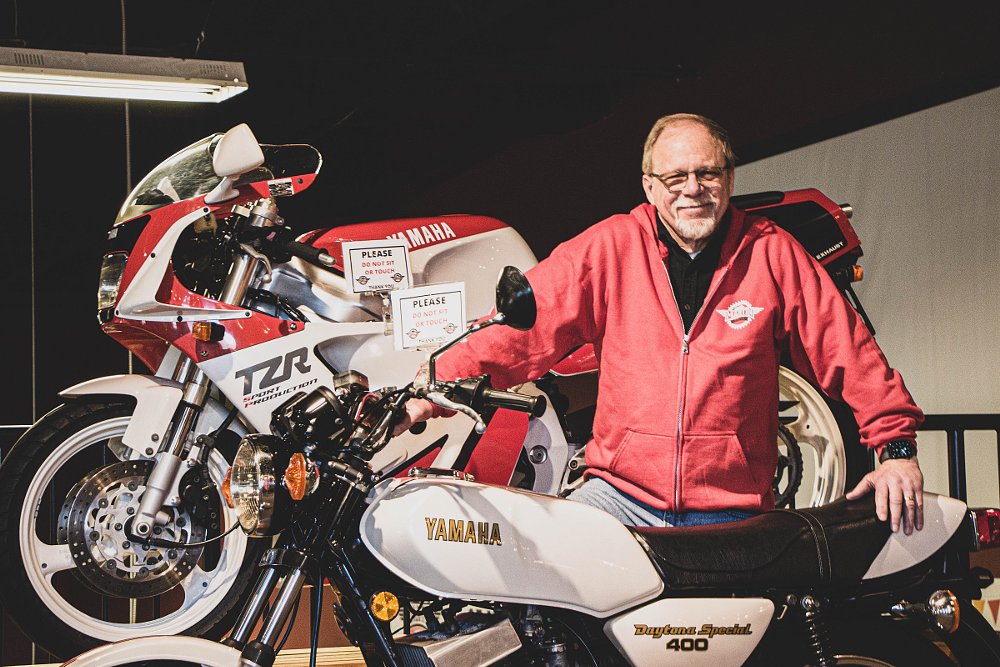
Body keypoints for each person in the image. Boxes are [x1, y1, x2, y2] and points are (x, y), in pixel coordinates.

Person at [398, 113, 925, 533]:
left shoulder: (771, 254)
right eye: (675, 177)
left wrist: (897, 451)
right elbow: (524, 325)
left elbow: (846, 348)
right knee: (542, 598)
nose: (692, 189)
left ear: (730, 177)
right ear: (650, 186)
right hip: (619, 497)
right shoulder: (610, 248)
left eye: (707, 173)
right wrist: (431, 382)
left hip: (733, 509)